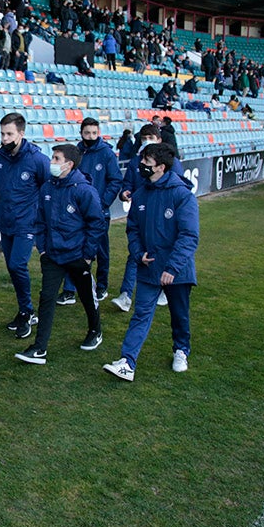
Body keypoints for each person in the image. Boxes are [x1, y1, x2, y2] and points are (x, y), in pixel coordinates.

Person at [103, 143, 198, 382]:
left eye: (146, 163)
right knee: (141, 314)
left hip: (177, 271)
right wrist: (138, 254)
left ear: (161, 168)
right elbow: (132, 229)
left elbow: (189, 235)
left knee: (179, 315)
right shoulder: (141, 194)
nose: (141, 166)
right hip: (148, 266)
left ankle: (181, 350)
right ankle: (127, 361)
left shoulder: (182, 195)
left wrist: (173, 268)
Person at [15, 144, 106, 364]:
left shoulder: (84, 190)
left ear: (69, 164)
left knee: (86, 295)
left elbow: (96, 223)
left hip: (77, 256)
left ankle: (95, 330)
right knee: (47, 298)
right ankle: (39, 348)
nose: (52, 163)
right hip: (53, 255)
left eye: (56, 159)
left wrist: (87, 255)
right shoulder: (47, 188)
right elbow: (40, 220)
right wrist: (44, 248)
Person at [0, 112, 50, 337]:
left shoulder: (37, 159)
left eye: (9, 134)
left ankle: (27, 311)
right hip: (6, 221)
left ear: (21, 134)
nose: (4, 138)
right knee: (12, 267)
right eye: (2, 133)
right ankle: (25, 310)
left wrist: (42, 218)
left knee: (17, 265)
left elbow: (48, 189)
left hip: (27, 223)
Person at [110, 125, 185, 313]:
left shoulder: (171, 162)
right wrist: (125, 193)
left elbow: (178, 188)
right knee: (134, 254)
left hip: (162, 219)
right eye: (144, 137)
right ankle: (125, 295)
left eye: (150, 136)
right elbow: (127, 184)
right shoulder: (137, 161)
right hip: (140, 214)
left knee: (160, 253)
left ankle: (163, 289)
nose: (146, 140)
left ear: (159, 139)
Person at [60, 118, 123, 304]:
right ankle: (70, 290)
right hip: (76, 213)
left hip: (99, 213)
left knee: (100, 250)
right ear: (81, 133)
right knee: (73, 249)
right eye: (87, 133)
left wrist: (103, 203)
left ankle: (102, 285)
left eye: (94, 133)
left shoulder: (107, 154)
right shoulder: (75, 153)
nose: (91, 137)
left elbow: (115, 180)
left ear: (99, 132)